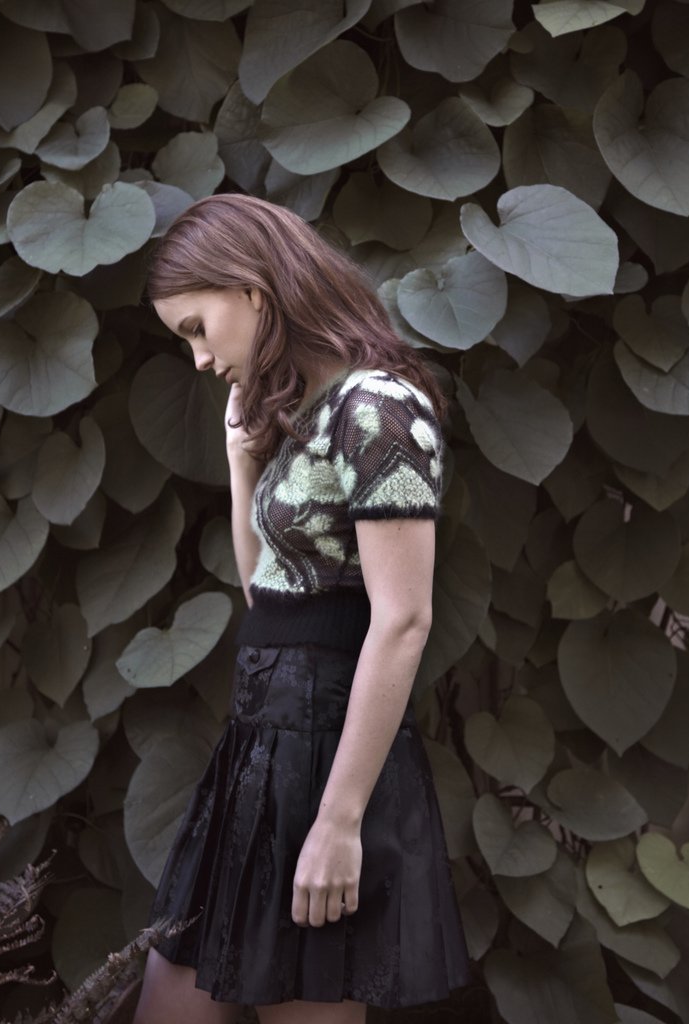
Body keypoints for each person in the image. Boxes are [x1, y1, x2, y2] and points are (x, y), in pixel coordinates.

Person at [133, 194, 471, 1024]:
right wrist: (240, 460)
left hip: (327, 763)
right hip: (258, 755)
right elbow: (267, 597)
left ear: (252, 290)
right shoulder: (305, 412)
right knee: (169, 999)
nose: (200, 359)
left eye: (197, 328)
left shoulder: (378, 409)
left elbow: (404, 619)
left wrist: (340, 820)